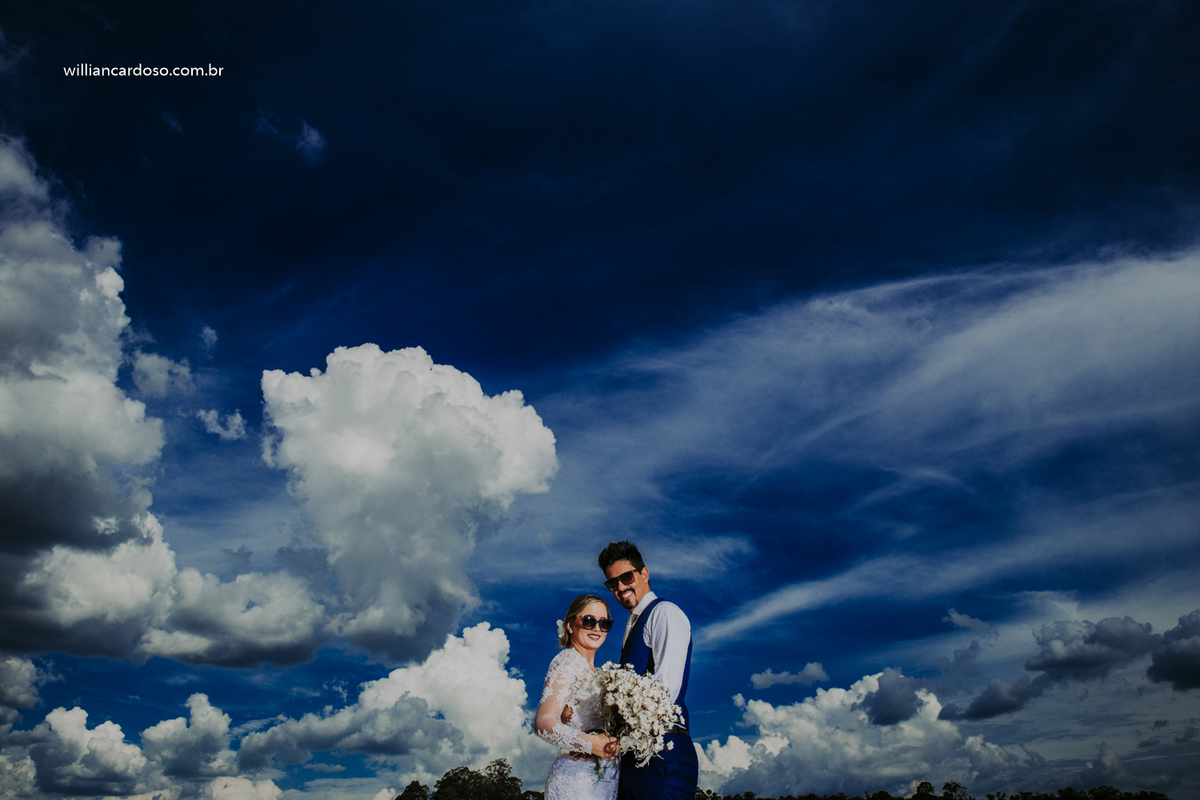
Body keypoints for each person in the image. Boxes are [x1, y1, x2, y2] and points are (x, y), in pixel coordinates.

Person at [598, 541, 698, 800]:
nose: (620, 588)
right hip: (633, 756)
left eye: (626, 577)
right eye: (612, 584)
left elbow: (666, 690)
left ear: (644, 574)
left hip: (662, 752)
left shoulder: (664, 613)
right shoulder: (632, 625)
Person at [535, 593, 622, 800]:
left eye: (604, 623)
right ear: (569, 625)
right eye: (589, 621)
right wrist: (591, 744)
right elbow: (543, 723)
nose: (597, 629)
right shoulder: (568, 661)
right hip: (576, 782)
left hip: (603, 782)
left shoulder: (598, 673)